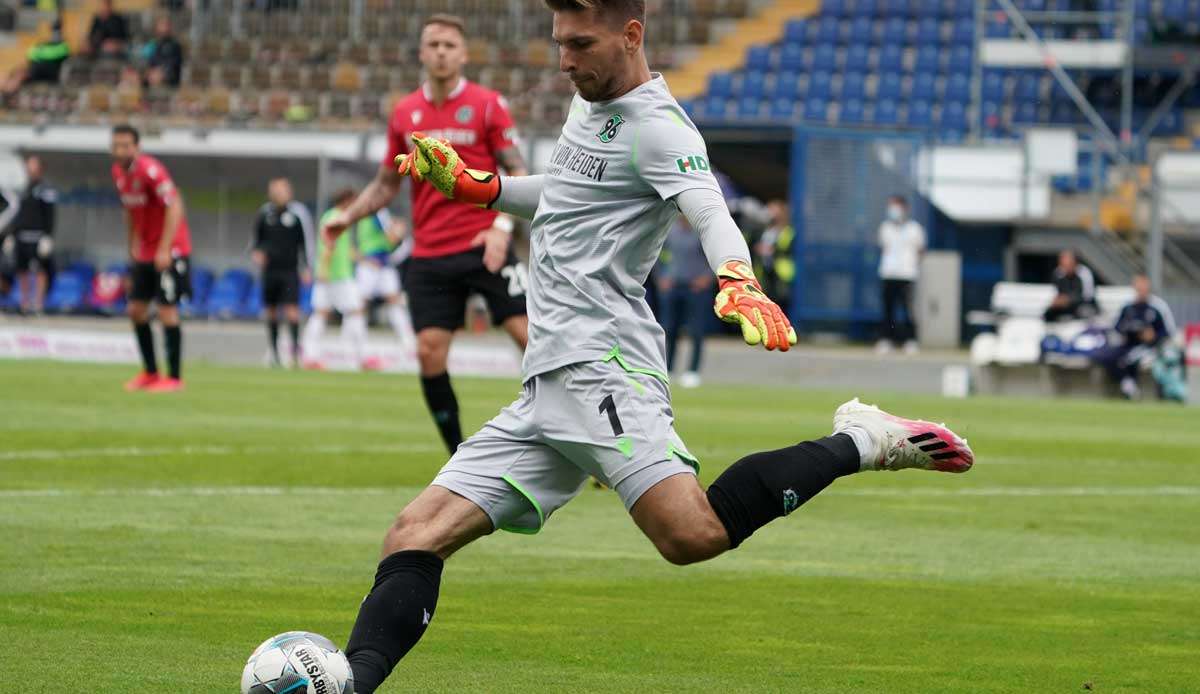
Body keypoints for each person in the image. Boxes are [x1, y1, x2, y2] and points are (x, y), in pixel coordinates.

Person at [326, 3, 975, 693]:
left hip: (606, 369)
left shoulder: (661, 128)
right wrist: (479, 188)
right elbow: (569, 192)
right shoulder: (591, 101)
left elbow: (709, 209)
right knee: (413, 533)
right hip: (547, 381)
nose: (565, 60)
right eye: (558, 43)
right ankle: (348, 686)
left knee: (690, 535)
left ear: (631, 35)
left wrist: (738, 278)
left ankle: (864, 439)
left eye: (580, 44)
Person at [321, 13, 530, 454]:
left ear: (463, 54)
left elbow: (517, 171)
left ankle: (583, 443)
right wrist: (348, 217)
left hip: (484, 244)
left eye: (449, 45)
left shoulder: (488, 104)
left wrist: (502, 227)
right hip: (432, 251)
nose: (440, 52)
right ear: (421, 52)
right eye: (433, 44)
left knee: (531, 341)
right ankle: (460, 456)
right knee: (429, 352)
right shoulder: (404, 113)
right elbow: (385, 184)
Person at [110, 124, 192, 392]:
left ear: (137, 147)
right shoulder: (119, 173)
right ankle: (150, 372)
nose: (120, 150)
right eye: (116, 145)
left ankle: (175, 377)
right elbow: (129, 210)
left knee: (167, 310)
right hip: (145, 250)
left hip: (170, 249)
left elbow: (175, 203)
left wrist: (165, 248)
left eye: (125, 145)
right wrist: (132, 243)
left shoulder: (151, 170)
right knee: (135, 310)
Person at [305, 190, 374, 371]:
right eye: (354, 201)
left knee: (320, 313)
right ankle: (361, 357)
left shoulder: (331, 216)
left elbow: (345, 248)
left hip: (329, 273)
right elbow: (330, 244)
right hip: (338, 275)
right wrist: (325, 270)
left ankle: (310, 357)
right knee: (356, 311)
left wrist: (364, 260)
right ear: (346, 201)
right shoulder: (338, 218)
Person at [252, 177, 313, 368]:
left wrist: (307, 268)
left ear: (289, 192)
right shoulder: (264, 213)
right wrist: (257, 253)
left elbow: (306, 243)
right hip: (270, 271)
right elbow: (256, 241)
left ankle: (295, 354)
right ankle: (274, 353)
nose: (278, 193)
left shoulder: (297, 214)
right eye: (275, 190)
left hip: (290, 271)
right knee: (270, 312)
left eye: (281, 190)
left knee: (292, 311)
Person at [1093, 274, 1176, 400]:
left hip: (1150, 347)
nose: (1141, 290)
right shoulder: (1128, 307)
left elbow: (1169, 331)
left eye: (1144, 287)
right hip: (1128, 344)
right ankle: (1128, 384)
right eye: (1139, 287)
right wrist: (1126, 332)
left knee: (1129, 359)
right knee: (1104, 356)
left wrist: (1153, 335)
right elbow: (1117, 327)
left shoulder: (1158, 306)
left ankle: (1131, 390)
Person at [656, 217, 713, 388]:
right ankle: (669, 369)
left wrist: (707, 278)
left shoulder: (701, 231)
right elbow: (654, 252)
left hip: (696, 288)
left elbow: (715, 255)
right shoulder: (670, 231)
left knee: (696, 330)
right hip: (674, 285)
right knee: (670, 329)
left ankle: (693, 371)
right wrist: (661, 277)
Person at [355, 207, 416, 351]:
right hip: (371, 264)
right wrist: (400, 232)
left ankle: (407, 341)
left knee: (393, 300)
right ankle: (357, 343)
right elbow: (392, 237)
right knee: (360, 304)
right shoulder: (379, 212)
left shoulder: (375, 213)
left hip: (383, 264)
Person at [876, 195, 925, 355]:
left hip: (907, 275)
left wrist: (912, 266)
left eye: (896, 206)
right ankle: (886, 339)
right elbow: (883, 249)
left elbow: (920, 251)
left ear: (905, 208)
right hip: (889, 273)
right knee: (888, 308)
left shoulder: (914, 229)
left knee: (908, 309)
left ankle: (910, 340)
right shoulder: (885, 228)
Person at [9, 156, 58, 315]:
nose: (30, 169)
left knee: (39, 270)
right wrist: (11, 234)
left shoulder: (46, 189)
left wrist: (47, 236)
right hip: (21, 236)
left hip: (37, 236)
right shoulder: (23, 189)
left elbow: (50, 214)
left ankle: (38, 304)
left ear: (40, 168)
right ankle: (24, 303)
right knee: (22, 270)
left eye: (33, 166)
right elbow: (18, 214)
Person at [1, 21, 69, 98]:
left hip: (50, 72)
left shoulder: (63, 46)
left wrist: (40, 53)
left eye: (57, 31)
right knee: (16, 71)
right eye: (54, 31)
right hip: (36, 69)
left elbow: (51, 55)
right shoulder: (44, 44)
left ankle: (9, 90)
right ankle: (6, 88)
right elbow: (31, 54)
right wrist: (41, 53)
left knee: (21, 74)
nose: (55, 34)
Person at [755, 198, 794, 317]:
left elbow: (791, 249)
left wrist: (773, 251)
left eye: (773, 210)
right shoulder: (764, 231)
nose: (769, 213)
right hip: (765, 271)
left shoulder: (788, 231)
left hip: (782, 273)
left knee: (782, 302)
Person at [1043, 249, 1098, 322]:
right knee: (1048, 314)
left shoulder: (1084, 273)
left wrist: (1069, 300)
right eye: (1063, 264)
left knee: (1085, 311)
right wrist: (1059, 301)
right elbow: (1055, 294)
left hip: (1083, 304)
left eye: (1068, 264)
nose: (1065, 267)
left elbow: (1088, 296)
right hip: (1066, 307)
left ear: (1075, 263)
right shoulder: (1058, 273)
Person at [142, 16, 183, 87]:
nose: (165, 27)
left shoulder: (175, 45)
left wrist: (161, 72)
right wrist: (149, 72)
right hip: (151, 77)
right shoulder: (151, 44)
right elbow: (146, 60)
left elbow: (174, 64)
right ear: (156, 26)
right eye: (162, 24)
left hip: (167, 79)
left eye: (167, 25)